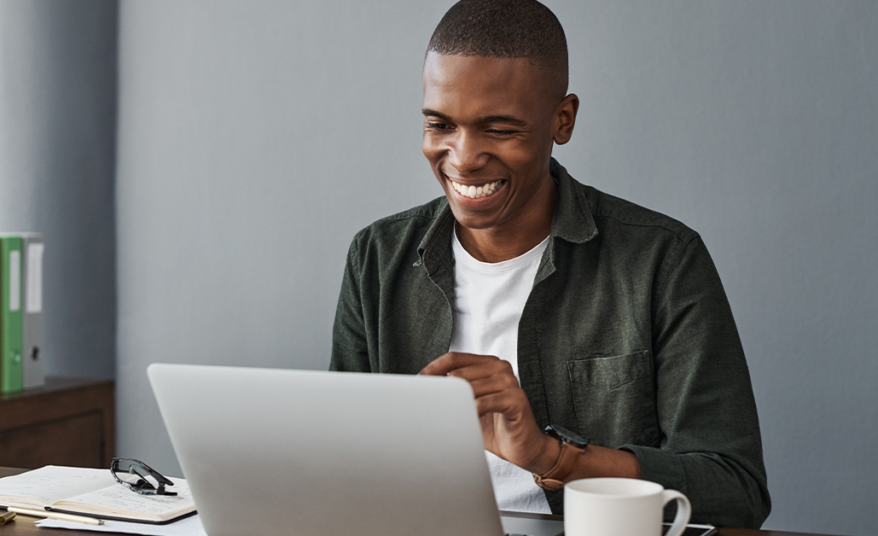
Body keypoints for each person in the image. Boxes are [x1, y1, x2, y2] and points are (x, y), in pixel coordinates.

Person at [329, 0, 770, 529]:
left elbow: (734, 488)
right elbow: (340, 462)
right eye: (440, 123)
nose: (463, 157)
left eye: (499, 129)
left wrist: (549, 455)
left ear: (562, 121)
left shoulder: (662, 261)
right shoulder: (377, 258)